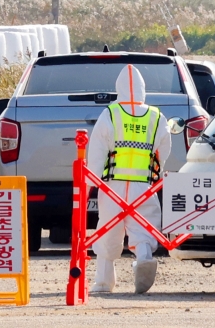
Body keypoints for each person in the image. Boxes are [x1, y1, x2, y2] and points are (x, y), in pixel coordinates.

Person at [87, 64, 171, 294]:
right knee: (143, 226)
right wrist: (156, 173)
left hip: (112, 185)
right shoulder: (156, 116)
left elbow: (96, 151)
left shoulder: (111, 113)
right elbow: (163, 150)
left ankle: (104, 282)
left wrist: (90, 184)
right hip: (142, 185)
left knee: (108, 229)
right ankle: (144, 258)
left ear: (119, 88)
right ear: (143, 89)